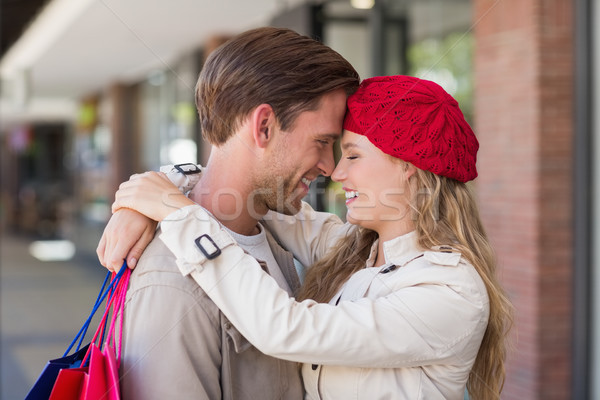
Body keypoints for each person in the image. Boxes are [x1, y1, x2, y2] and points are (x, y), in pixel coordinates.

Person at [102, 75, 513, 399]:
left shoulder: (449, 290)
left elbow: (286, 329)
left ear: (408, 167)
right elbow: (249, 189)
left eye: (352, 155)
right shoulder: (356, 248)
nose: (336, 172)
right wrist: (153, 191)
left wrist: (173, 211)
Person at [97, 26, 360, 399]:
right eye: (322, 142)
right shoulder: (171, 281)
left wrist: (163, 188)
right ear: (264, 126)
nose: (329, 167)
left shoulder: (277, 232)